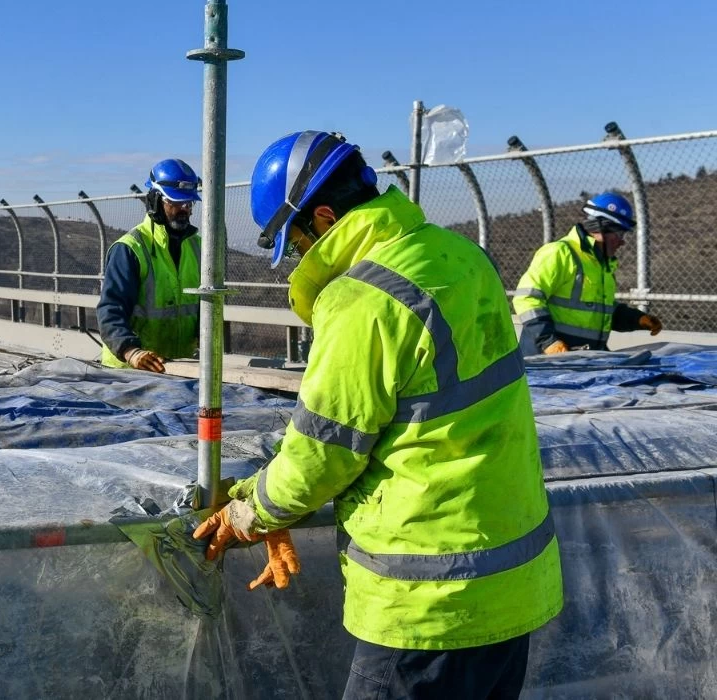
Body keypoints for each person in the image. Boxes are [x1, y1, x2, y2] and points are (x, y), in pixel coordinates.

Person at [193, 131, 563, 699]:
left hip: (428, 602)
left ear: (322, 216)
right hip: (512, 585)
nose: (298, 258)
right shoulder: (459, 254)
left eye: (294, 243)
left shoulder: (363, 299)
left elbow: (322, 456)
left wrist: (251, 511)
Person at [512, 192, 662, 355]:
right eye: (619, 234)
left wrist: (637, 319)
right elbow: (526, 299)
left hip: (582, 361)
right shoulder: (560, 253)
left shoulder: (601, 265)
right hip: (545, 361)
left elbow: (601, 311)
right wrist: (548, 342)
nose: (622, 241)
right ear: (600, 228)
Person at [96, 158, 202, 373]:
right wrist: (131, 351)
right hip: (129, 372)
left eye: (188, 203)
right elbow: (111, 309)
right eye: (175, 202)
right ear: (155, 201)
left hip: (176, 367)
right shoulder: (130, 248)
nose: (184, 209)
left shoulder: (199, 247)